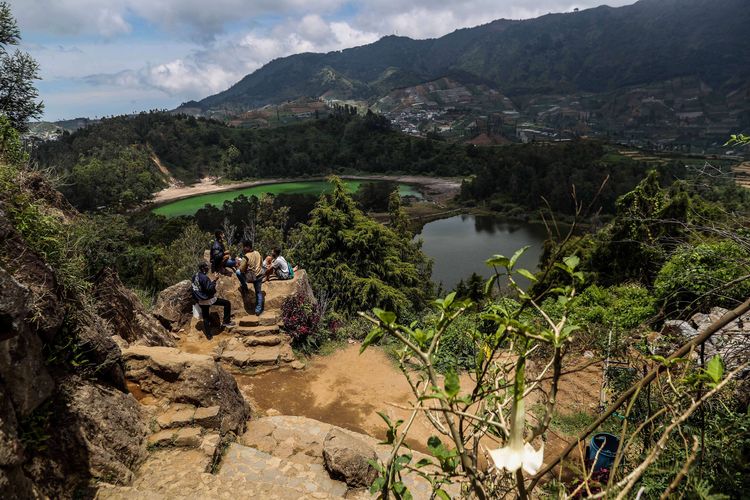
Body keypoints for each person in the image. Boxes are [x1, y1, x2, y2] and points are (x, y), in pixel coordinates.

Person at [191, 262, 235, 339]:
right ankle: (226, 322)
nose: (208, 268)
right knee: (227, 303)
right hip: (207, 299)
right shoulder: (204, 278)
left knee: (205, 317)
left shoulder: (195, 276)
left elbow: (195, 288)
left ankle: (208, 335)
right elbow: (210, 289)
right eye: (206, 267)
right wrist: (215, 280)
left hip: (200, 300)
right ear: (203, 268)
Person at [237, 240, 264, 315]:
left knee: (237, 272)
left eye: (244, 247)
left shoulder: (246, 256)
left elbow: (241, 269)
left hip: (251, 277)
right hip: (259, 275)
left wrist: (243, 267)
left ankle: (244, 286)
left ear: (248, 247)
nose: (243, 248)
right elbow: (261, 263)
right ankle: (258, 310)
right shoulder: (258, 253)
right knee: (258, 292)